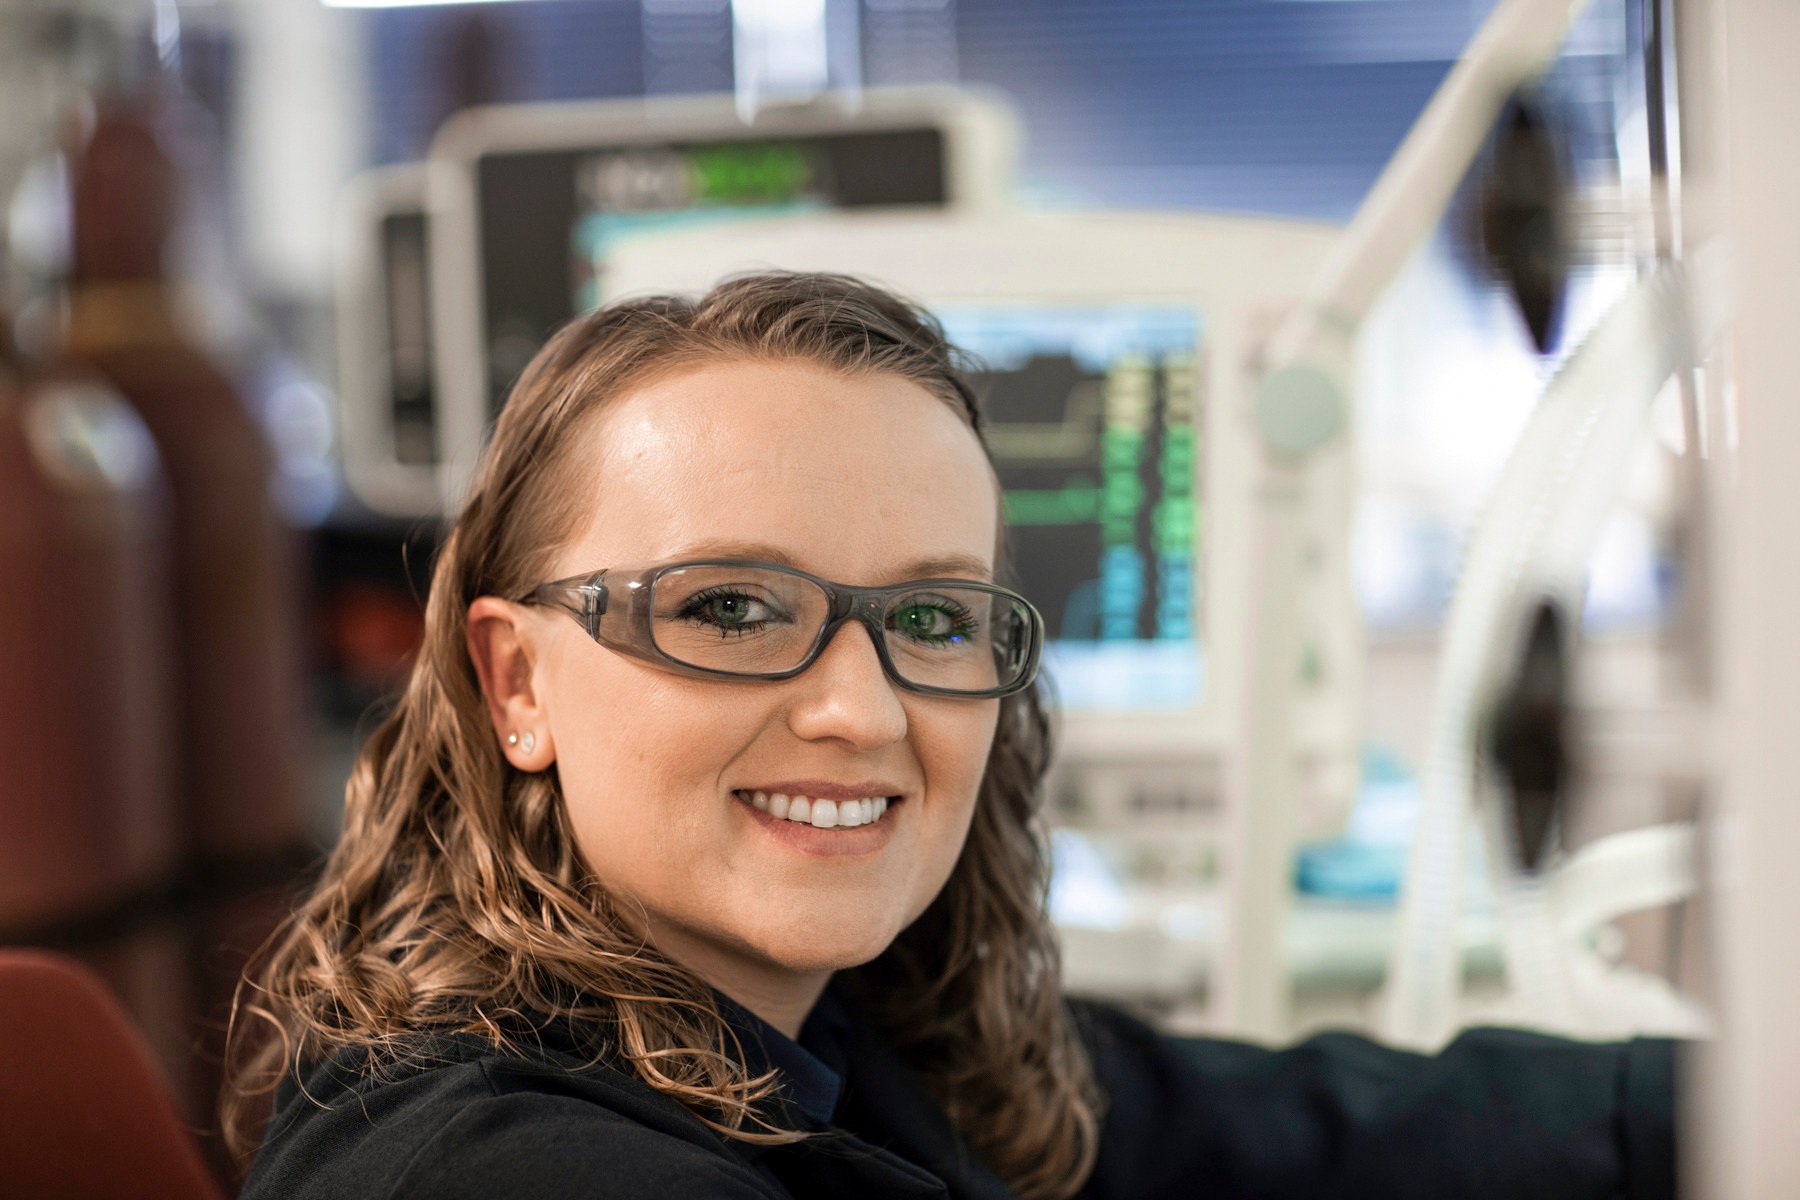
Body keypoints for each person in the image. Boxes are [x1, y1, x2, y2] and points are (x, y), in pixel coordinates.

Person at [228, 273, 1675, 1200]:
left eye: (931, 622)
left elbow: (1309, 1130)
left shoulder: (845, 1035)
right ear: (515, 683)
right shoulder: (501, 1172)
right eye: (729, 606)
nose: (860, 711)